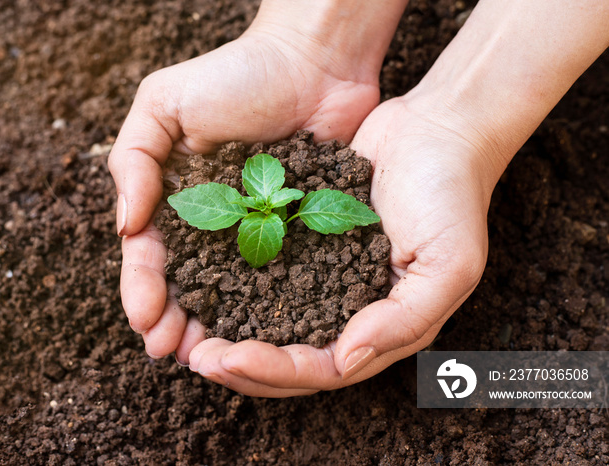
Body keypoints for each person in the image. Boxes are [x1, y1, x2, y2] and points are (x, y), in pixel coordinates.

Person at [107, 0, 609, 397]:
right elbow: (253, 210)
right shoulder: (265, 203)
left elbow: (265, 196)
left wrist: (459, 124)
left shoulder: (282, 201)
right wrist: (307, 42)